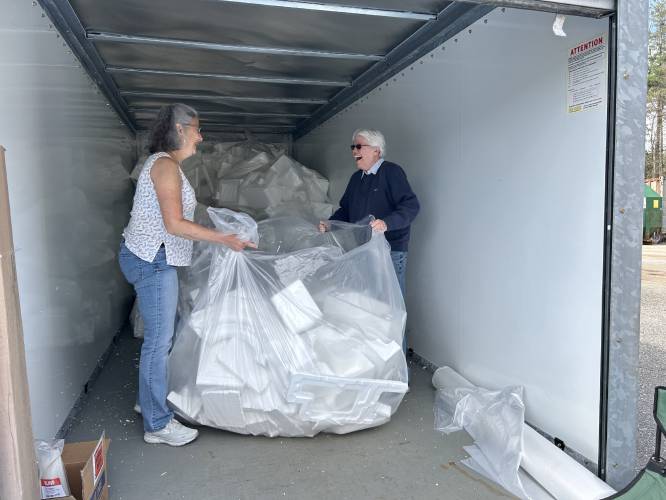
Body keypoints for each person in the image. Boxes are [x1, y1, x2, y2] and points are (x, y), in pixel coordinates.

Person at [119, 103, 255, 446]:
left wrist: (219, 223)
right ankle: (157, 425)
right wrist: (223, 239)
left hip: (155, 258)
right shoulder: (165, 166)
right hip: (153, 260)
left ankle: (149, 399)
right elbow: (174, 224)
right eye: (197, 128)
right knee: (159, 341)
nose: (201, 135)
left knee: (165, 336)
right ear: (180, 129)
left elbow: (179, 216)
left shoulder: (169, 167)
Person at [320, 129, 420, 352]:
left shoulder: (391, 172)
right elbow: (346, 211)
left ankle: (396, 371)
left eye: (359, 146)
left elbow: (411, 206)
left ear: (376, 150)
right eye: (353, 147)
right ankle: (373, 361)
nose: (354, 151)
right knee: (367, 305)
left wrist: (387, 223)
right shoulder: (357, 179)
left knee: (390, 308)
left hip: (390, 253)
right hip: (362, 252)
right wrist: (330, 223)